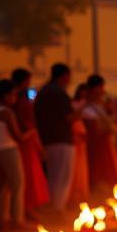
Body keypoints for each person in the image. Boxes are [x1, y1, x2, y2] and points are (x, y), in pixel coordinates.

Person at [34, 63, 75, 211]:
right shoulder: (59, 93)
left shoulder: (42, 92)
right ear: (64, 76)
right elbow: (69, 117)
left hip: (46, 139)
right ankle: (58, 208)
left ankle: (52, 206)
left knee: (52, 177)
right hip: (62, 139)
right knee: (62, 177)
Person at [10, 68, 49, 217]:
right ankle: (28, 208)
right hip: (26, 141)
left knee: (32, 174)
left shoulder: (18, 98)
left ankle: (30, 207)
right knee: (30, 175)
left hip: (25, 140)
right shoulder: (20, 99)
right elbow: (28, 123)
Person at [0, 79, 26, 228]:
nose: (15, 98)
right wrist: (30, 133)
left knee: (1, 187)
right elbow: (18, 136)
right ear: (6, 95)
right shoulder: (6, 112)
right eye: (14, 95)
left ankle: (2, 219)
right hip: (8, 149)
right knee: (17, 184)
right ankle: (17, 219)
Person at [80, 74, 117, 195]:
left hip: (105, 143)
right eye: (101, 87)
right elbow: (93, 129)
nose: (103, 91)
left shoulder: (101, 105)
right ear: (94, 89)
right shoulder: (85, 106)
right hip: (95, 145)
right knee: (97, 172)